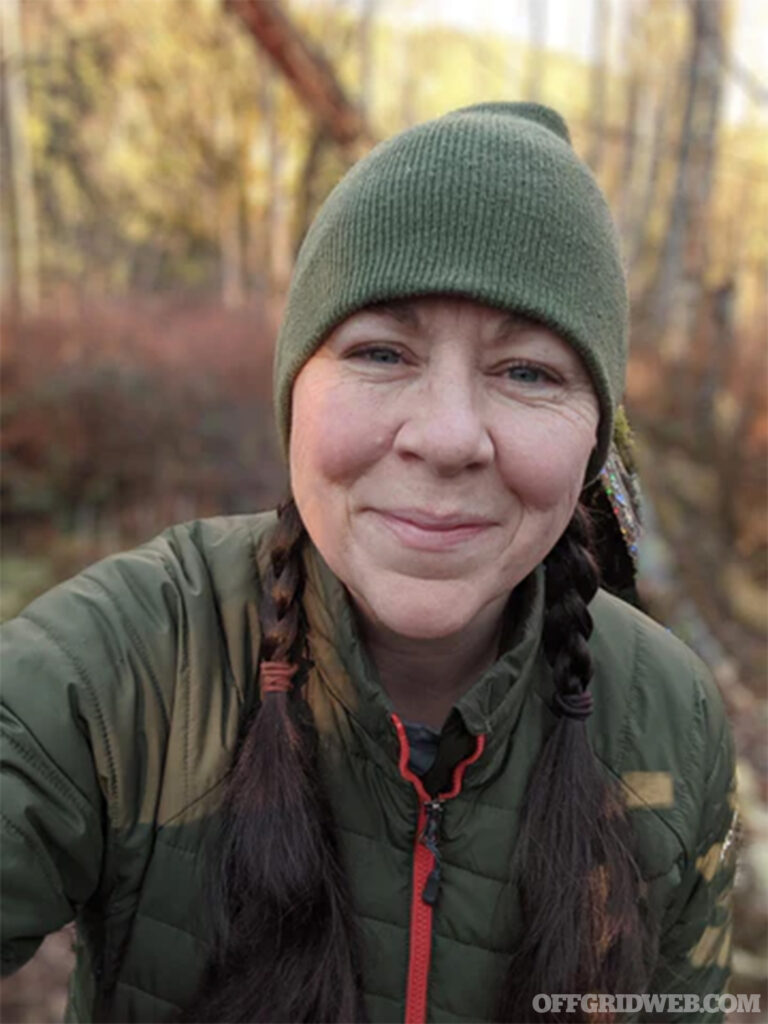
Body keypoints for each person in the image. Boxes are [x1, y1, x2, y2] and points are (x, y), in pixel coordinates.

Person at [1, 103, 737, 1024]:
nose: (446, 438)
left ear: (594, 441)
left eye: (528, 372)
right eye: (382, 352)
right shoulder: (119, 670)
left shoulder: (673, 719)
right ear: (295, 395)